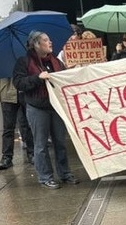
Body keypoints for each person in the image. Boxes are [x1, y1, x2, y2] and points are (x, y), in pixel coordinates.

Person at [12, 31, 80, 189]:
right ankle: (45, 177)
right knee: (41, 144)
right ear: (36, 44)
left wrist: (71, 71)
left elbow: (63, 79)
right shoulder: (24, 62)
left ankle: (65, 173)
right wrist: (37, 78)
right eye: (46, 40)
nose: (50, 42)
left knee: (60, 142)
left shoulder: (55, 60)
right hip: (37, 108)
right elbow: (19, 83)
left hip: (55, 107)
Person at [0, 78, 34, 170]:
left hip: (26, 92)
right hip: (7, 93)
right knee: (8, 127)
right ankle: (6, 157)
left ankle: (32, 153)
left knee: (28, 125)